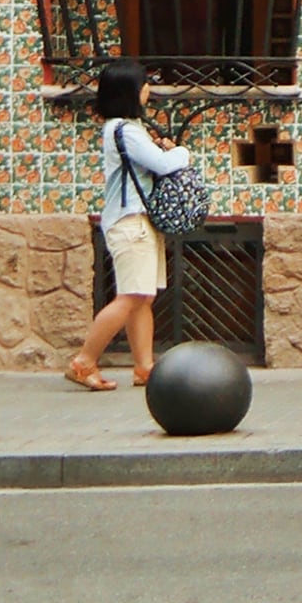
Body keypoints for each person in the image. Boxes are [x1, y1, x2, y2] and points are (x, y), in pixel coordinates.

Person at [66, 60, 195, 390]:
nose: (148, 89)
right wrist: (182, 152)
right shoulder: (126, 130)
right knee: (131, 296)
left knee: (142, 298)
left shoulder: (123, 129)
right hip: (130, 222)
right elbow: (163, 164)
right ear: (131, 92)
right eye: (143, 84)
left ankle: (144, 367)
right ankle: (84, 362)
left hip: (137, 221)